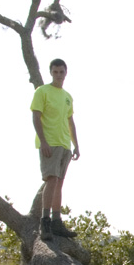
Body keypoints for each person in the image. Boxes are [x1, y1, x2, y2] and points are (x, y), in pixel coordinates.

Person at [30, 58, 80, 241]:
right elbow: (36, 117)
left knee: (59, 182)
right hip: (50, 142)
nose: (58, 75)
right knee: (51, 180)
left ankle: (57, 222)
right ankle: (45, 221)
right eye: (55, 72)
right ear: (51, 73)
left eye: (61, 72)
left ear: (66, 73)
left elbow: (70, 122)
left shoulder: (67, 96)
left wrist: (76, 144)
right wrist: (43, 141)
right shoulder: (42, 91)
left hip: (65, 144)